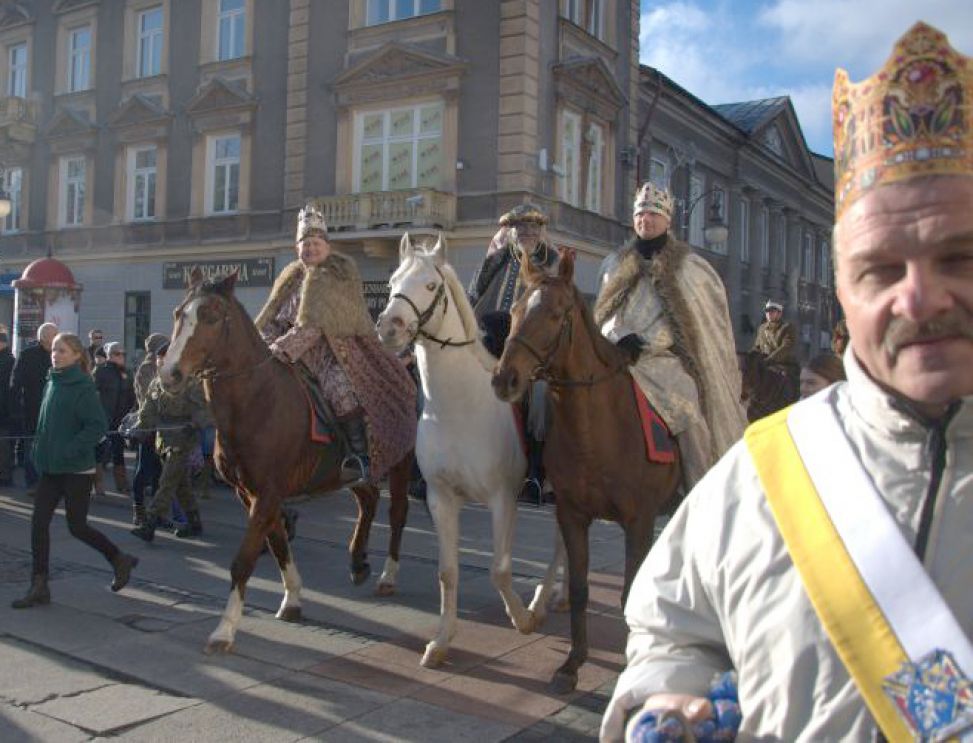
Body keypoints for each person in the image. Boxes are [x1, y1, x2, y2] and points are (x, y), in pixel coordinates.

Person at [601, 22, 973, 742]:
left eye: (959, 257)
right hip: (621, 357)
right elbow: (671, 627)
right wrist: (663, 694)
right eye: (880, 268)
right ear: (841, 282)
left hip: (666, 363)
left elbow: (697, 331)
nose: (919, 298)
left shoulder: (689, 268)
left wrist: (656, 342)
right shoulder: (764, 471)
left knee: (681, 403)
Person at [595, 182, 746, 491]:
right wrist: (618, 334)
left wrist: (654, 341)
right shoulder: (613, 264)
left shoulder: (691, 269)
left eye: (652, 214)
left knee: (688, 403)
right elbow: (602, 311)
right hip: (614, 354)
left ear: (667, 221)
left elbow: (691, 322)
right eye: (639, 214)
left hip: (661, 358)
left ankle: (701, 487)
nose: (644, 221)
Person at [255, 203, 415, 484]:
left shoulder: (336, 274)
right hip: (285, 352)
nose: (311, 249)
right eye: (305, 244)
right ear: (297, 249)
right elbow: (272, 318)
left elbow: (313, 328)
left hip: (332, 353)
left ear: (327, 247)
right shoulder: (290, 278)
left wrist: (278, 351)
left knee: (341, 389)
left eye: (316, 244)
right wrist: (261, 346)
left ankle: (359, 456)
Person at [11, 333, 138, 609]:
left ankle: (118, 558)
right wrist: (39, 450)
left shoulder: (82, 386)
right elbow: (45, 423)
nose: (56, 354)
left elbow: (96, 426)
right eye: (54, 350)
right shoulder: (52, 381)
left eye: (63, 350)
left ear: (78, 355)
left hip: (76, 470)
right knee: (38, 524)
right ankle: (39, 584)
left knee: (77, 526)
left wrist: (70, 449)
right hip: (51, 468)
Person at [468, 203, 560, 503]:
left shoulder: (552, 259)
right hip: (495, 339)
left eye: (532, 228)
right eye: (520, 227)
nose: (526, 233)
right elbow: (474, 293)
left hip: (536, 346)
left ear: (541, 231)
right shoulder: (500, 257)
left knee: (539, 397)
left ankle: (535, 473)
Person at [130, 342, 212, 542]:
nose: (160, 362)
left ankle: (150, 523)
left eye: (165, 358)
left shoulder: (190, 382)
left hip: (183, 439)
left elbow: (205, 409)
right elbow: (148, 411)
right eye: (159, 359)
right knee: (180, 484)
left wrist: (194, 424)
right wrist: (137, 430)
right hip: (164, 438)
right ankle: (194, 523)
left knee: (166, 482)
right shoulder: (156, 383)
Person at [10, 322, 58, 493]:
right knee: (32, 447)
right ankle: (33, 483)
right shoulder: (28, 354)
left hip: (55, 409)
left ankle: (49, 483)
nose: (57, 337)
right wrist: (17, 408)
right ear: (45, 337)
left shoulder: (58, 355)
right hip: (32, 409)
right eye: (54, 334)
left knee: (51, 447)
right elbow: (16, 383)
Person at [129, 332, 168, 526]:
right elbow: (148, 398)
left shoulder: (165, 366)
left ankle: (157, 512)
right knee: (143, 469)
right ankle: (138, 509)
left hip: (162, 426)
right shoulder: (146, 369)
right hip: (148, 425)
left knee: (159, 471)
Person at [93, 342, 135, 495]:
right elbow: (93, 394)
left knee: (118, 452)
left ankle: (122, 483)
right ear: (109, 355)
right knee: (98, 451)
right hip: (103, 417)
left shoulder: (127, 373)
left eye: (123, 354)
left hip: (120, 420)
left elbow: (132, 395)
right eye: (117, 354)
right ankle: (97, 484)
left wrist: (132, 413)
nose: (121, 357)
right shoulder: (100, 372)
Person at [751, 299, 800, 397]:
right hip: (765, 364)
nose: (769, 314)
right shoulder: (762, 328)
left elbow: (786, 347)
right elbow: (757, 347)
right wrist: (750, 358)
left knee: (785, 385)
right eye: (767, 312)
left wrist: (769, 359)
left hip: (784, 364)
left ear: (779, 313)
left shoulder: (787, 327)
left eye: (772, 311)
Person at [0, 332, 15, 485]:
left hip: (3, 408)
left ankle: (5, 475)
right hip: (5, 407)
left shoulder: (8, 360)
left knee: (4, 444)